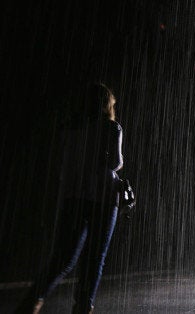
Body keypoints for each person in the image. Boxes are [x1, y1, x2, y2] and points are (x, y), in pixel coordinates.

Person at [15, 83, 125, 314]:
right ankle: (83, 307)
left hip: (74, 197)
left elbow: (62, 167)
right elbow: (115, 162)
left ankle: (33, 301)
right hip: (104, 197)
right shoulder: (111, 128)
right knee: (95, 258)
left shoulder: (69, 128)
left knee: (64, 257)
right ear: (107, 104)